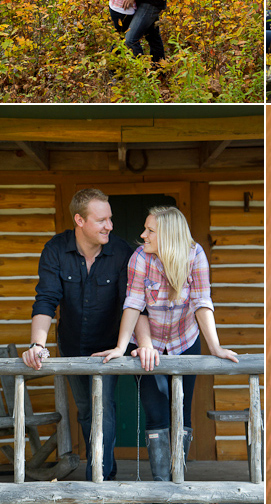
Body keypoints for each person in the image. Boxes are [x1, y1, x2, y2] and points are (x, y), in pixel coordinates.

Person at [22, 189, 158, 481]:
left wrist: (140, 343)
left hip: (108, 347)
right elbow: (46, 299)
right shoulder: (55, 250)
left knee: (104, 409)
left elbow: (133, 303)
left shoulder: (122, 252)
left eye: (110, 218)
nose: (109, 225)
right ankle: (101, 468)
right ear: (79, 220)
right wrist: (37, 344)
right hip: (72, 345)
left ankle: (101, 477)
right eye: (101, 220)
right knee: (86, 411)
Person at [94, 206, 238, 481]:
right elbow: (134, 303)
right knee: (156, 412)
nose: (142, 235)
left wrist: (215, 347)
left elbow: (201, 302)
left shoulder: (195, 255)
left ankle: (178, 482)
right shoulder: (139, 258)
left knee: (181, 410)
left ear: (168, 235)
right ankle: (162, 485)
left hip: (185, 341)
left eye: (150, 230)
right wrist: (121, 346)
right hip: (148, 346)